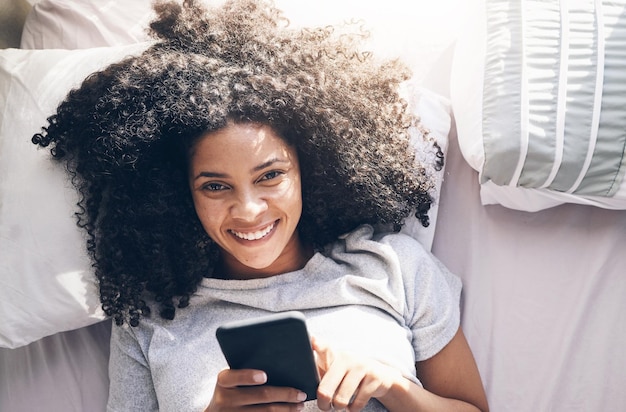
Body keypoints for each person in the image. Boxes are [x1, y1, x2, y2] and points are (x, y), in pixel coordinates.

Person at [33, 0, 488, 411]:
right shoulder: (151, 317)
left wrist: (393, 387)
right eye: (215, 186)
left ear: (310, 168)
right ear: (176, 193)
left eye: (270, 176)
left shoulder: (394, 268)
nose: (248, 210)